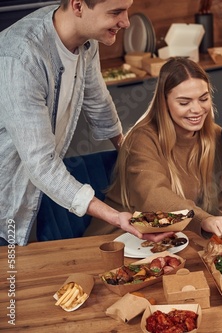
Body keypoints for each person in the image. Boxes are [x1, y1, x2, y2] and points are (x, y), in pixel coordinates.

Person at [0, 0, 169, 246]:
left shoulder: (86, 39)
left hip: (31, 187)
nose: (126, 22)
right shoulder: (20, 59)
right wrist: (116, 217)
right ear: (78, 6)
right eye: (116, 12)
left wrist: (128, 151)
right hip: (6, 189)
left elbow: (97, 99)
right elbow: (42, 166)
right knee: (11, 280)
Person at [87, 57, 222, 243]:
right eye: (184, 103)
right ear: (164, 103)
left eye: (204, 99)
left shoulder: (216, 136)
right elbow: (154, 198)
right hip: (122, 238)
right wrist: (204, 220)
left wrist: (219, 229)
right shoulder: (142, 138)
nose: (197, 109)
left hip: (177, 238)